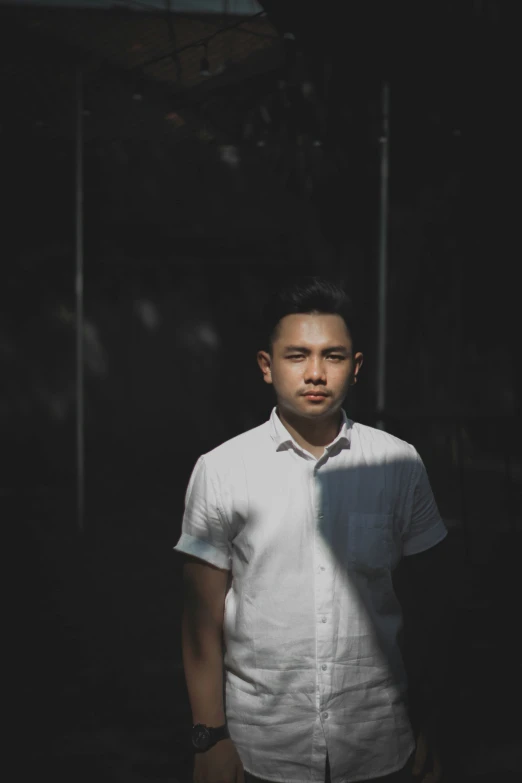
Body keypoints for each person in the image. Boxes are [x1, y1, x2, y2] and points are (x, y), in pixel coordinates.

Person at [174, 276, 454, 783]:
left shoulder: (398, 464)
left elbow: (429, 609)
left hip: (380, 743)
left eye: (334, 356)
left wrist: (432, 724)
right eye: (297, 355)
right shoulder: (220, 469)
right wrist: (209, 737)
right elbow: (200, 621)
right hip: (262, 747)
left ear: (356, 367)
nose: (316, 373)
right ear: (267, 366)